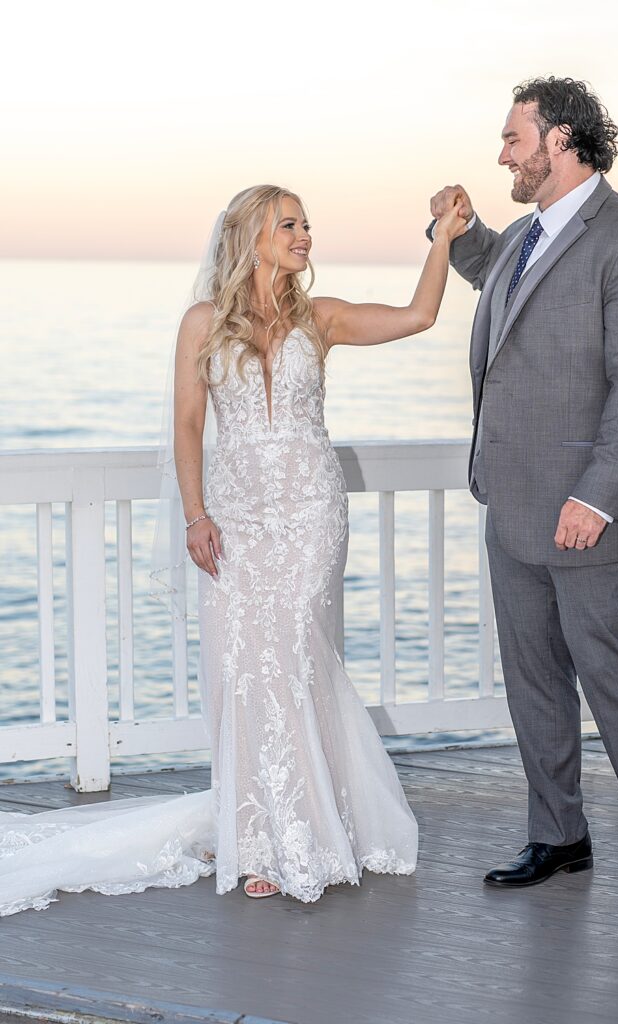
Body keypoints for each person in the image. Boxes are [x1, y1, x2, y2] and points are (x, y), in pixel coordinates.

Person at [0, 185, 467, 915]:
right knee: (243, 668)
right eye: (290, 225)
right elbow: (188, 426)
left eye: (308, 224)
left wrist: (441, 237)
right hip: (237, 518)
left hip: (311, 513)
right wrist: (195, 513)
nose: (305, 235)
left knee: (290, 660)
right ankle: (259, 838)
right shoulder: (201, 324)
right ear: (252, 236)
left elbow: (418, 314)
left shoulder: (322, 317)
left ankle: (309, 827)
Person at [429, 77, 618, 905]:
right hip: (509, 502)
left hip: (586, 511)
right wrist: (464, 230)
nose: (501, 153)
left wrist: (597, 496)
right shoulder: (520, 237)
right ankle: (558, 835)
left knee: (610, 675)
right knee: (533, 677)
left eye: (513, 139)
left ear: (561, 141)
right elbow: (499, 289)